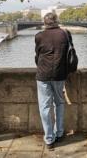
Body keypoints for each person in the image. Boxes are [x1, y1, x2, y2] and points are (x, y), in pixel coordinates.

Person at [34, 12, 73, 149]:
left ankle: (49, 139)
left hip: (43, 75)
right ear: (56, 21)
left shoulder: (39, 36)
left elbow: (37, 56)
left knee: (44, 106)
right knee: (59, 103)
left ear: (45, 23)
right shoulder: (64, 34)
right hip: (59, 74)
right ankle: (60, 133)